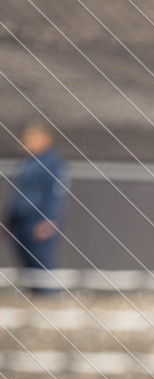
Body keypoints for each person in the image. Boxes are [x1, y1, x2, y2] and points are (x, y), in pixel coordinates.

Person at [3, 121, 69, 290]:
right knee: (27, 270)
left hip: (38, 221)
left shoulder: (51, 164)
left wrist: (49, 219)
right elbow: (18, 195)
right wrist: (10, 220)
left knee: (41, 268)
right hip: (22, 221)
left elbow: (55, 193)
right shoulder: (27, 164)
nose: (25, 142)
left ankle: (48, 303)